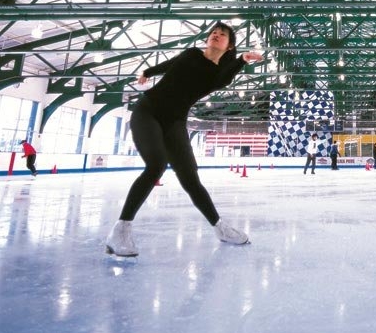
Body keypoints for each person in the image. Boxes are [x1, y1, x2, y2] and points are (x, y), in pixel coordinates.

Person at [105, 21, 263, 257]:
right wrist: (148, 72)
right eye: (214, 33)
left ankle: (220, 228)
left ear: (229, 46)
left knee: (190, 178)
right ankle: (120, 230)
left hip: (175, 121)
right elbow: (171, 64)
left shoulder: (219, 73)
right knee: (156, 165)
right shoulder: (190, 53)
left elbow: (226, 77)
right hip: (148, 110)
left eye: (223, 35)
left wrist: (242, 60)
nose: (216, 35)